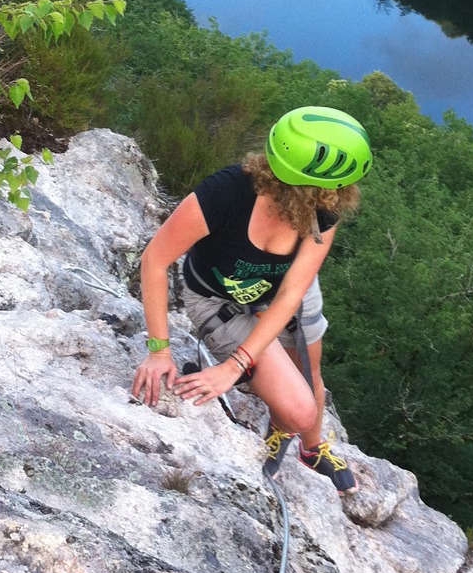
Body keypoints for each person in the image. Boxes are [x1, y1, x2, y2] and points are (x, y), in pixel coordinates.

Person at [131, 106, 372, 495]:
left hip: (284, 289)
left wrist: (237, 365)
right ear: (307, 185)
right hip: (217, 296)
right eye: (335, 187)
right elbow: (155, 260)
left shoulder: (324, 210)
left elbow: (294, 291)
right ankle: (285, 425)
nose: (342, 197)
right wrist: (159, 349)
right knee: (298, 409)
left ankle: (312, 449)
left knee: (311, 371)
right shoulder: (224, 195)